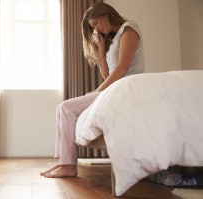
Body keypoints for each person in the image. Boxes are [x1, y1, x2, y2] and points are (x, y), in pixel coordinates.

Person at [40, 2, 145, 178]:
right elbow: (107, 74)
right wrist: (102, 47)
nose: (96, 28)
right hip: (115, 88)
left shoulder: (129, 29)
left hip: (126, 88)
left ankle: (68, 165)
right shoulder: (114, 39)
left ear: (104, 13)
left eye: (96, 23)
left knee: (66, 108)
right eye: (93, 27)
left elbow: (122, 69)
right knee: (61, 108)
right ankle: (63, 162)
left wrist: (98, 91)